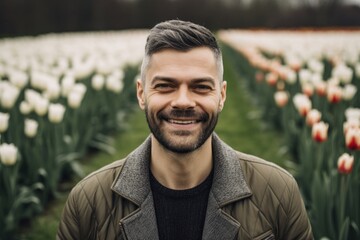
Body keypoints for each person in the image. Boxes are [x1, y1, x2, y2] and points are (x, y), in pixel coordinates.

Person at [57, 20, 313, 240]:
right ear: (141, 94)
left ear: (222, 95)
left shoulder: (279, 193)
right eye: (166, 86)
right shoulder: (88, 202)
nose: (183, 101)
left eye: (201, 87)